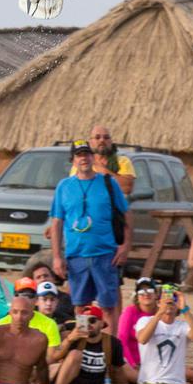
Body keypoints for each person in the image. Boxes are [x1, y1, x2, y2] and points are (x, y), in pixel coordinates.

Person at [50, 140, 133, 335]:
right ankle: (85, 347)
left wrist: (125, 246)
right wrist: (56, 256)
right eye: (79, 155)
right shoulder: (64, 186)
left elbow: (127, 214)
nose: (84, 158)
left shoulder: (108, 183)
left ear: (93, 157)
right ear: (73, 160)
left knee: (108, 306)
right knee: (80, 306)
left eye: (87, 154)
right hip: (76, 255)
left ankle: (111, 350)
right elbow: (56, 223)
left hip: (105, 254)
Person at [112, 286, 193, 384]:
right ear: (158, 302)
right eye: (164, 298)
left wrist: (185, 308)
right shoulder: (145, 321)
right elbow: (142, 339)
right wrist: (160, 313)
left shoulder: (182, 326)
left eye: (173, 299)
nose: (169, 301)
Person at [50, 305, 129, 384]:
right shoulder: (74, 338)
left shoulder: (112, 343)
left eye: (92, 320)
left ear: (101, 324)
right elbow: (54, 357)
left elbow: (117, 371)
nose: (89, 325)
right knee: (75, 354)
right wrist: (69, 339)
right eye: (84, 320)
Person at [0, 278, 62, 359]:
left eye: (30, 295)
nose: (26, 299)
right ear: (14, 298)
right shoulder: (1, 323)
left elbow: (50, 358)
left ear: (36, 299)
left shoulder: (49, 324)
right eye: (22, 295)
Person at [68, 126, 136, 196]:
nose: (102, 140)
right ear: (90, 142)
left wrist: (102, 170)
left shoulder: (122, 161)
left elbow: (127, 188)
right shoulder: (82, 163)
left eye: (106, 137)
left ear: (111, 141)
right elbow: (75, 190)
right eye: (97, 137)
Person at [118, 277, 160, 371]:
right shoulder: (130, 311)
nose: (146, 293)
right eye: (141, 291)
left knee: (189, 371)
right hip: (135, 362)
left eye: (149, 289)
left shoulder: (162, 313)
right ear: (137, 296)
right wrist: (132, 363)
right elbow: (122, 339)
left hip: (157, 363)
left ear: (156, 294)